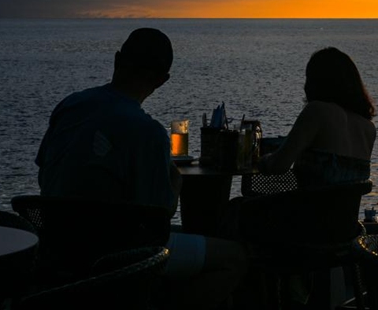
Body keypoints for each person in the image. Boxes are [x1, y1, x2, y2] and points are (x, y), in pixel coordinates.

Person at [35, 28, 246, 310]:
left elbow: (43, 173)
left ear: (117, 60)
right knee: (234, 258)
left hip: (56, 248)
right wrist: (175, 181)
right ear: (162, 80)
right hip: (118, 255)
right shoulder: (148, 133)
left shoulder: (69, 106)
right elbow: (158, 221)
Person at [258, 47, 376, 186]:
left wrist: (260, 160)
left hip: (306, 207)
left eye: (308, 78)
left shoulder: (317, 111)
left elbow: (279, 166)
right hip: (343, 208)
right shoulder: (368, 128)